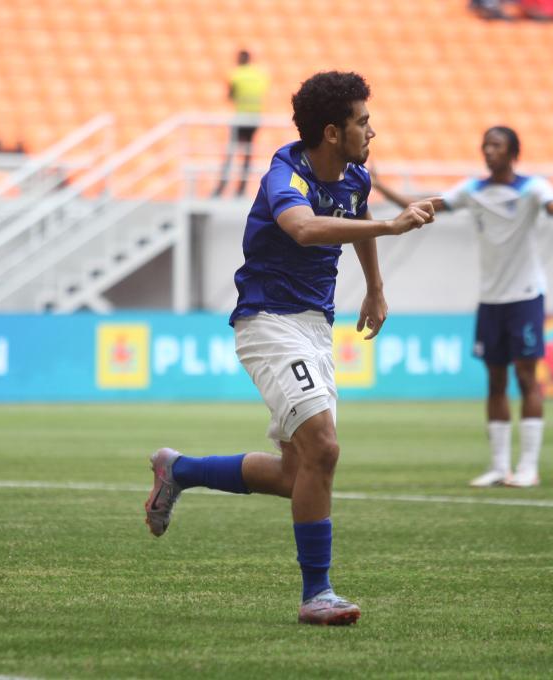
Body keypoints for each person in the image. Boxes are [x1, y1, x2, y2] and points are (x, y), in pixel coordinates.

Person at [145, 71, 437, 626]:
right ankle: (316, 594)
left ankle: (178, 469)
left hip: (314, 327)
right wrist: (393, 227)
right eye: (362, 121)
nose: (370, 131)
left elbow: (353, 226)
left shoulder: (355, 178)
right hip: (268, 321)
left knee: (294, 472)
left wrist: (375, 287)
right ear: (332, 131)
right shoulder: (285, 176)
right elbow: (303, 228)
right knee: (323, 449)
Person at [371, 127, 553, 489]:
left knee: (527, 378)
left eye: (496, 145)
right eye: (485, 145)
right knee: (495, 381)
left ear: (513, 152)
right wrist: (380, 186)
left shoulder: (532, 189)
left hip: (525, 296)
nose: (488, 151)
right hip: (491, 299)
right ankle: (499, 466)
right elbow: (425, 206)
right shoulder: (473, 190)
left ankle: (528, 467)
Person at [211, 50, 270, 198]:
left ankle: (221, 187)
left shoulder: (236, 75)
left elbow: (231, 95)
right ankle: (241, 189)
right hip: (254, 118)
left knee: (231, 153)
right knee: (247, 154)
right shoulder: (259, 76)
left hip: (240, 117)